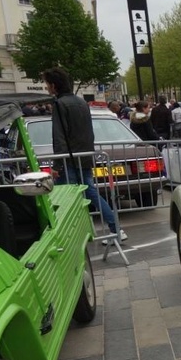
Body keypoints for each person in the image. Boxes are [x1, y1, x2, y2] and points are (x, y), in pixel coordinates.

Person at [42, 67, 126, 241]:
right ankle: (115, 228)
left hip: (69, 158)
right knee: (89, 192)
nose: (47, 88)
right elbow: (88, 132)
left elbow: (59, 136)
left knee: (67, 197)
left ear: (53, 86)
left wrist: (57, 164)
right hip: (85, 155)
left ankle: (72, 235)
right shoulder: (81, 103)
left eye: (47, 85)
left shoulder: (59, 104)